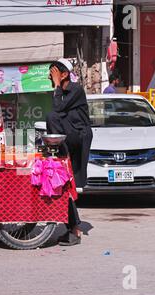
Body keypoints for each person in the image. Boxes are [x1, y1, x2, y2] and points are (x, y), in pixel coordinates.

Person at [46, 58, 93, 246]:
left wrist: (57, 85)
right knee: (64, 185)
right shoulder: (64, 94)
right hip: (68, 139)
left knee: (51, 115)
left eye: (54, 73)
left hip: (78, 139)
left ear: (64, 74)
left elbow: (56, 110)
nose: (51, 77)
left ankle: (75, 229)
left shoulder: (75, 90)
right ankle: (73, 227)